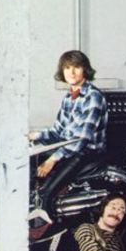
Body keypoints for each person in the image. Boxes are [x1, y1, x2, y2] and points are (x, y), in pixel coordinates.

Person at [29, 50, 108, 218]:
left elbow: (81, 138)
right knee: (29, 160)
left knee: (45, 193)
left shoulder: (93, 96)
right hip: (69, 147)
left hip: (87, 151)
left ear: (85, 69)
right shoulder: (69, 97)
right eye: (66, 68)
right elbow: (58, 131)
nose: (71, 72)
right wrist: (34, 136)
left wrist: (52, 160)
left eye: (76, 67)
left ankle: (47, 225)